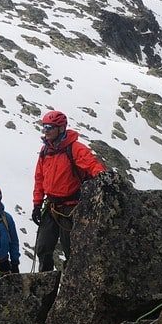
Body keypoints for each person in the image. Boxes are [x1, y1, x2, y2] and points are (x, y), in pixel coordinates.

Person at [32, 110, 105, 271]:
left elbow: (92, 165)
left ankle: (71, 288)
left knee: (71, 250)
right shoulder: (46, 151)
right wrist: (37, 204)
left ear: (61, 128)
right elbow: (39, 179)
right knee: (43, 248)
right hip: (51, 206)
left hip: (70, 207)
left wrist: (103, 178)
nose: (46, 130)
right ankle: (46, 290)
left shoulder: (75, 148)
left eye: (50, 127)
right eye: (45, 127)